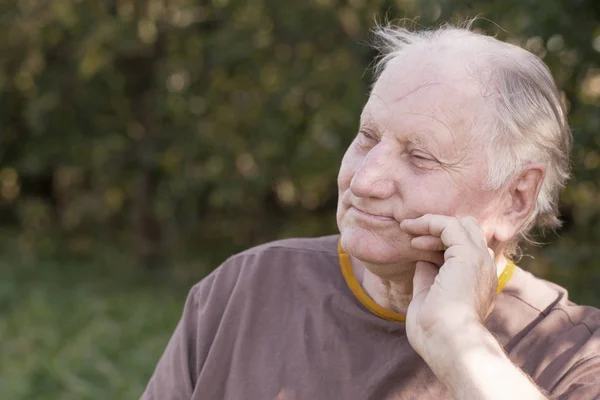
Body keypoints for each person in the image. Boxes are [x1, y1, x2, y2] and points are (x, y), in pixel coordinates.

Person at [141, 21, 600, 400]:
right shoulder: (243, 289)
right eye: (367, 137)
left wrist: (461, 346)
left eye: (420, 156)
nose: (364, 180)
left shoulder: (575, 354)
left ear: (515, 198)